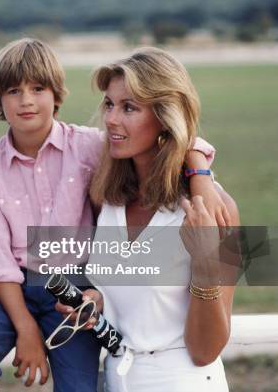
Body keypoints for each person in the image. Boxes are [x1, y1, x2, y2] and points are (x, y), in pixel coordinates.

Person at [0, 38, 228, 392]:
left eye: (38, 88)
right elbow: (1, 259)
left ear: (57, 94)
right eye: (108, 105)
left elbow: (181, 141)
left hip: (99, 305)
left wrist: (200, 177)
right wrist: (27, 327)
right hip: (30, 300)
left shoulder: (99, 150)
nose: (111, 120)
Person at [57, 47, 239, 391]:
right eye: (109, 104)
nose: (111, 119)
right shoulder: (106, 198)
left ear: (164, 116)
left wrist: (205, 261)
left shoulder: (215, 208)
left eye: (129, 107)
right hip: (119, 378)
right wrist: (99, 302)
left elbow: (205, 350)